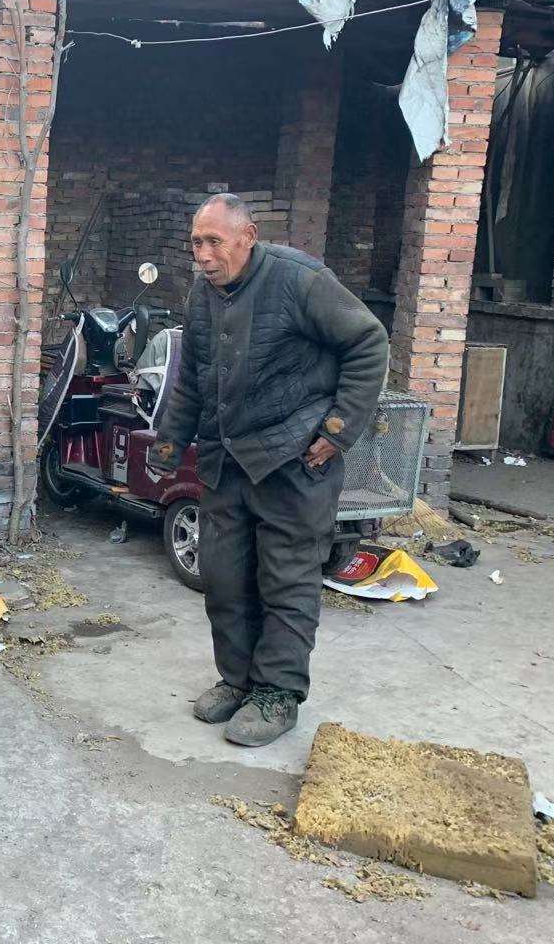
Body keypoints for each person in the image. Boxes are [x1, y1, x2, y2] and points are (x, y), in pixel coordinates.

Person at [152, 193, 387, 747]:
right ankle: (238, 681)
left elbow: (368, 342)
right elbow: (192, 376)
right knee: (224, 577)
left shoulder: (299, 280)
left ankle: (278, 694)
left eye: (214, 242)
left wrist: (337, 430)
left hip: (294, 460)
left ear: (248, 236)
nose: (203, 255)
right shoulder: (203, 295)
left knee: (286, 580)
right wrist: (170, 442)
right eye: (196, 243)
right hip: (227, 459)